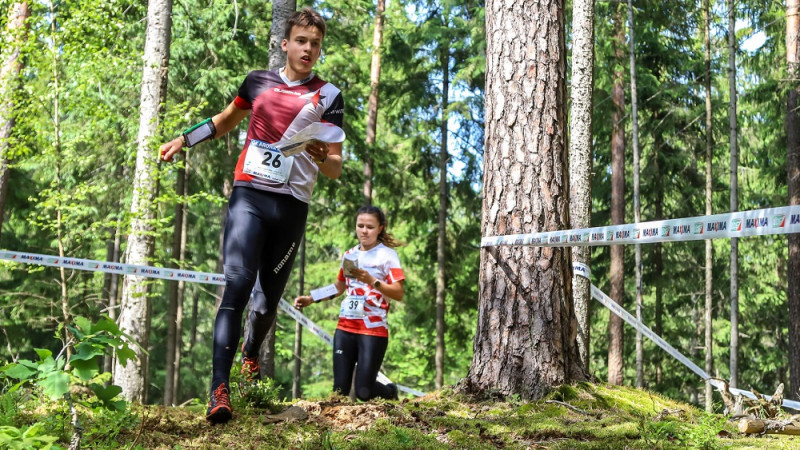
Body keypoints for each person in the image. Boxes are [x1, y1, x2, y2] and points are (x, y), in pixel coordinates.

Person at [159, 7, 344, 424]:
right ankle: (218, 392)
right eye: (301, 41)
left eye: (315, 44)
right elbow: (225, 121)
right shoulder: (257, 82)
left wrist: (319, 155)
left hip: (293, 206)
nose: (308, 49)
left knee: (265, 305)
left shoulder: (328, 95)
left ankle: (250, 355)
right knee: (237, 286)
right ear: (285, 43)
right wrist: (183, 140)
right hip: (249, 195)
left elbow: (335, 167)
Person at [294, 206, 404, 401]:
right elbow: (339, 286)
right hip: (345, 327)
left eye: (370, 227)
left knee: (364, 392)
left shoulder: (387, 255)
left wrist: (372, 281)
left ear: (380, 228)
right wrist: (311, 298)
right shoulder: (349, 255)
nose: (364, 231)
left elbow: (398, 293)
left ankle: (390, 392)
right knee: (339, 391)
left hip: (373, 330)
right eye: (360, 225)